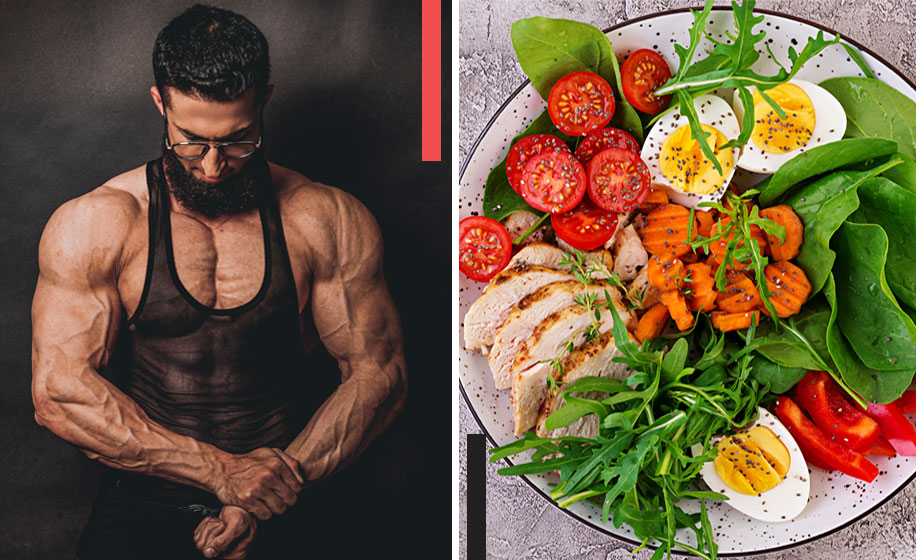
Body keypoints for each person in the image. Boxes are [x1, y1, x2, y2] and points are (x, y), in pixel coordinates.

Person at [29, 4, 406, 559]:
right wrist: (221, 473)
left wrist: (263, 492)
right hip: (140, 506)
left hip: (291, 496)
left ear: (264, 103)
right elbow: (59, 394)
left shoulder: (323, 219)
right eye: (189, 140)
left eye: (237, 140)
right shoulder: (98, 223)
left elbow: (380, 374)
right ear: (161, 102)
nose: (211, 165)